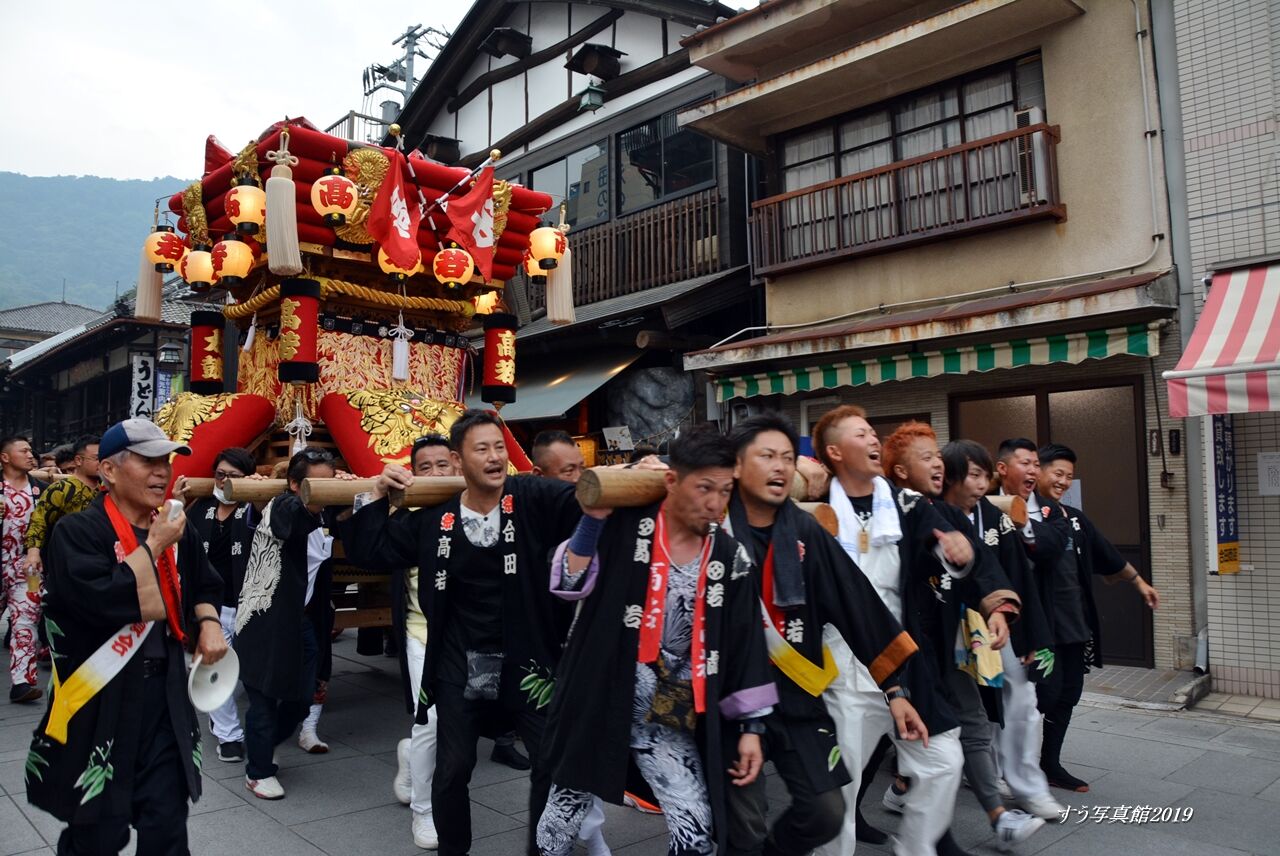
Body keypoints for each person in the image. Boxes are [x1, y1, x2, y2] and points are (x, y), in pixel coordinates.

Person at [347, 409, 584, 856]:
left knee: (551, 762)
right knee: (452, 766)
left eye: (499, 447)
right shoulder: (435, 518)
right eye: (482, 449)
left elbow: (580, 501)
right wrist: (376, 492)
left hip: (528, 656)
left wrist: (628, 476)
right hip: (460, 658)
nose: (495, 457)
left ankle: (548, 848)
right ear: (460, 460)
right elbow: (371, 549)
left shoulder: (529, 496)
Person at [536, 424, 777, 856]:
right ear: (671, 480)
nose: (715, 503)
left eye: (725, 491)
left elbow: (745, 645)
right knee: (560, 823)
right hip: (599, 697)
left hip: (665, 714)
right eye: (704, 488)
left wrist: (751, 728)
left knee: (695, 833)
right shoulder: (630, 521)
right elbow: (569, 579)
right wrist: (593, 521)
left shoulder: (729, 556)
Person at [721, 414, 925, 856]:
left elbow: (857, 606)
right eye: (766, 456)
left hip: (796, 697)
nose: (780, 468)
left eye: (787, 459)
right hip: (730, 699)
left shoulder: (805, 530)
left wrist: (895, 689)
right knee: (743, 825)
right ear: (735, 465)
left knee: (825, 810)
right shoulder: (712, 530)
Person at [25, 418, 227, 855]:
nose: (161, 472)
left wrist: (208, 622)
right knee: (98, 829)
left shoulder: (176, 527)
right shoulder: (77, 532)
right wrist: (152, 547)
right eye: (148, 460)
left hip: (165, 696)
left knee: (167, 823)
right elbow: (98, 601)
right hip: (102, 699)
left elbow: (206, 584)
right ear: (110, 471)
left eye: (165, 461)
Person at [810, 406, 970, 856]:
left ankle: (916, 848)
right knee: (842, 783)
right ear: (835, 451)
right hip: (841, 663)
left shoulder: (904, 504)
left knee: (943, 760)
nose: (875, 439)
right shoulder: (814, 508)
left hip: (900, 654)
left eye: (873, 432)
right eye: (862, 434)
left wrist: (954, 550)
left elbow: (939, 534)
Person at [878, 424, 1041, 852]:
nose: (937, 462)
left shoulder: (948, 515)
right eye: (926, 456)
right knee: (887, 746)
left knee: (950, 737)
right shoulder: (888, 508)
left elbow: (980, 560)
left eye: (938, 455)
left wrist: (997, 607)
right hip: (888, 648)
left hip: (938, 647)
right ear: (897, 470)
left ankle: (956, 827)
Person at [940, 440, 1063, 824]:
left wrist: (1031, 638)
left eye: (983, 475)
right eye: (972, 475)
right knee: (964, 711)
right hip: (947, 626)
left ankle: (1028, 787)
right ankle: (914, 784)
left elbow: (1018, 580)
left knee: (1021, 698)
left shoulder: (996, 518)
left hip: (997, 625)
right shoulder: (931, 516)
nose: (980, 484)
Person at [1033, 443, 1159, 794]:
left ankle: (1050, 763)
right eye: (1057, 473)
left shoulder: (1073, 519)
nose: (1063, 481)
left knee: (1068, 694)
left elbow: (1108, 556)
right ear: (1037, 470)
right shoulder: (1018, 515)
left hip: (1074, 626)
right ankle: (1010, 766)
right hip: (1038, 630)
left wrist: (1139, 583)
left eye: (1069, 477)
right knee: (1040, 696)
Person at [527, 430, 613, 856]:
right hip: (544, 649)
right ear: (538, 475)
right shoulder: (530, 510)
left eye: (582, 468)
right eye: (568, 472)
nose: (580, 478)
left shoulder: (594, 508)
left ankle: (590, 831)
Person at [235, 446, 339, 800]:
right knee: (263, 698)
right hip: (264, 621)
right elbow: (287, 520)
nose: (326, 492)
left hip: (303, 621)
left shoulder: (324, 514)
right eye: (316, 485)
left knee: (301, 697)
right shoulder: (285, 506)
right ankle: (258, 771)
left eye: (332, 483)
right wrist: (306, 499)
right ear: (294, 484)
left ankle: (262, 744)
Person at [389, 433, 454, 849]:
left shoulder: (476, 504)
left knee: (457, 724)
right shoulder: (404, 514)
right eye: (424, 468)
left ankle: (409, 752)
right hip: (420, 633)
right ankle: (423, 811)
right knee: (430, 720)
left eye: (442, 465)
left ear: (457, 466)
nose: (433, 474)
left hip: (468, 635)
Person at [176, 448, 257, 764]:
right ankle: (229, 735)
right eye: (220, 474)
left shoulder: (255, 509)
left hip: (250, 605)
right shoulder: (201, 509)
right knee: (215, 668)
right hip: (211, 608)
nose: (224, 481)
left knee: (245, 673)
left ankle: (220, 715)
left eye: (233, 477)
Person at [2, 435, 49, 703]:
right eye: (24, 451)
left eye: (32, 451)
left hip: (28, 571)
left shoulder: (40, 490)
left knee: (25, 624)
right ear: (5, 457)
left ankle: (21, 683)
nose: (31, 455)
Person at [24, 435, 100, 584]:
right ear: (78, 460)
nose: (103, 462)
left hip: (100, 559)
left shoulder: (108, 489)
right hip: (66, 561)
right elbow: (39, 521)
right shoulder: (62, 489)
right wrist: (33, 553)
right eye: (97, 458)